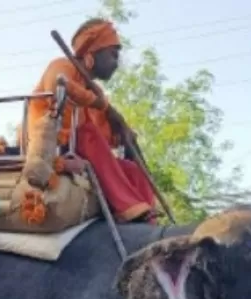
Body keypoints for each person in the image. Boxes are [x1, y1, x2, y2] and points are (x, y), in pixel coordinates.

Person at [26, 18, 158, 223]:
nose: (116, 63)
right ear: (91, 54)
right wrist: (102, 105)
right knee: (88, 133)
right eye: (113, 54)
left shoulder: (94, 91)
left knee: (130, 168)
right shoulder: (62, 65)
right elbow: (60, 84)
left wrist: (122, 132)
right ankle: (128, 208)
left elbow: (105, 135)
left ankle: (146, 215)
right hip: (51, 143)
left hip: (81, 148)